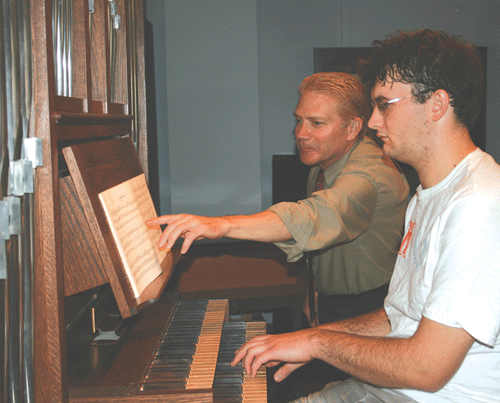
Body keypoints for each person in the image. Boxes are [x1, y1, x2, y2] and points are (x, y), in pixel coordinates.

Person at [231, 29, 500, 402]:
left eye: (384, 104)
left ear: (437, 104)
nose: (373, 122)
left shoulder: (478, 204)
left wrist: (317, 342)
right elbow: (397, 317)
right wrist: (308, 339)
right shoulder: (428, 196)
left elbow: (426, 368)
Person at [148, 71, 409, 327]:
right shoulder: (324, 161)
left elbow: (316, 216)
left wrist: (222, 225)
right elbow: (322, 242)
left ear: (352, 128)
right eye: (299, 120)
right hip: (330, 301)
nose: (300, 133)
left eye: (316, 123)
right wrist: (313, 294)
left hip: (371, 309)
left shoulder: (369, 175)